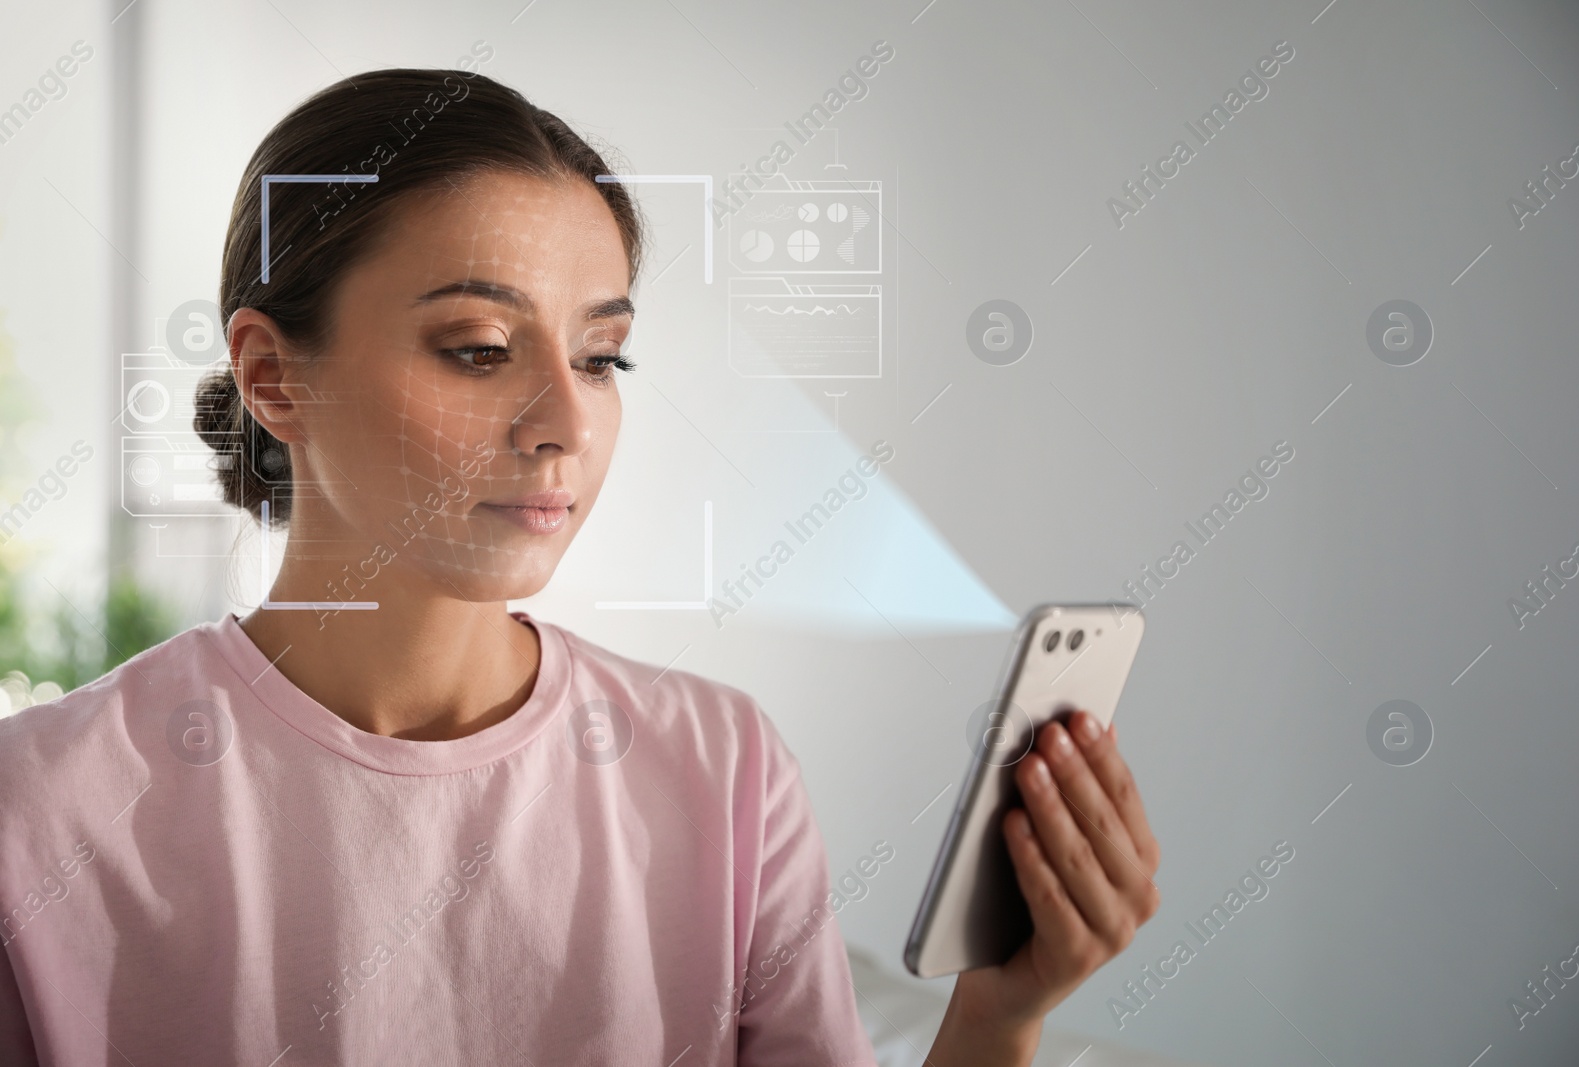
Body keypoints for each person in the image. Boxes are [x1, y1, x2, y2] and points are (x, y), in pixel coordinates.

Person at [0, 68, 1160, 1065]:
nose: (565, 415)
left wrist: (999, 1017)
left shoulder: (723, 767)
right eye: (480, 349)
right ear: (273, 378)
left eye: (604, 355)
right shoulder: (41, 808)